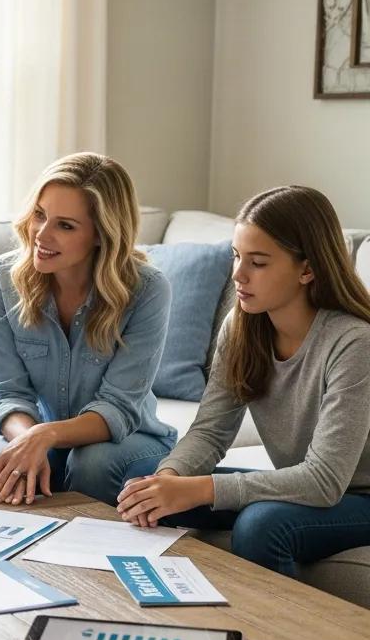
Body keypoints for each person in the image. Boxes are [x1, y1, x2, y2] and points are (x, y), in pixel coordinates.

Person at [117, 185, 370, 577]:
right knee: (143, 484)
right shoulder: (241, 327)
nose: (238, 274)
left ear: (307, 270)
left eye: (258, 262)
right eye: (237, 256)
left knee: (261, 525)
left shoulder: (354, 343)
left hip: (355, 496)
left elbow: (324, 480)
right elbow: (210, 433)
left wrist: (201, 489)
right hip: (300, 486)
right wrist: (168, 480)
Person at [0, 151, 176, 510]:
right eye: (40, 215)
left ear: (101, 234)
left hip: (130, 441)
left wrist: (44, 435)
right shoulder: (1, 280)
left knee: (91, 462)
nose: (41, 234)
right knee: (3, 462)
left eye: (65, 226)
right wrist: (29, 441)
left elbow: (118, 408)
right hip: (43, 433)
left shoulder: (148, 290)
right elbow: (7, 393)